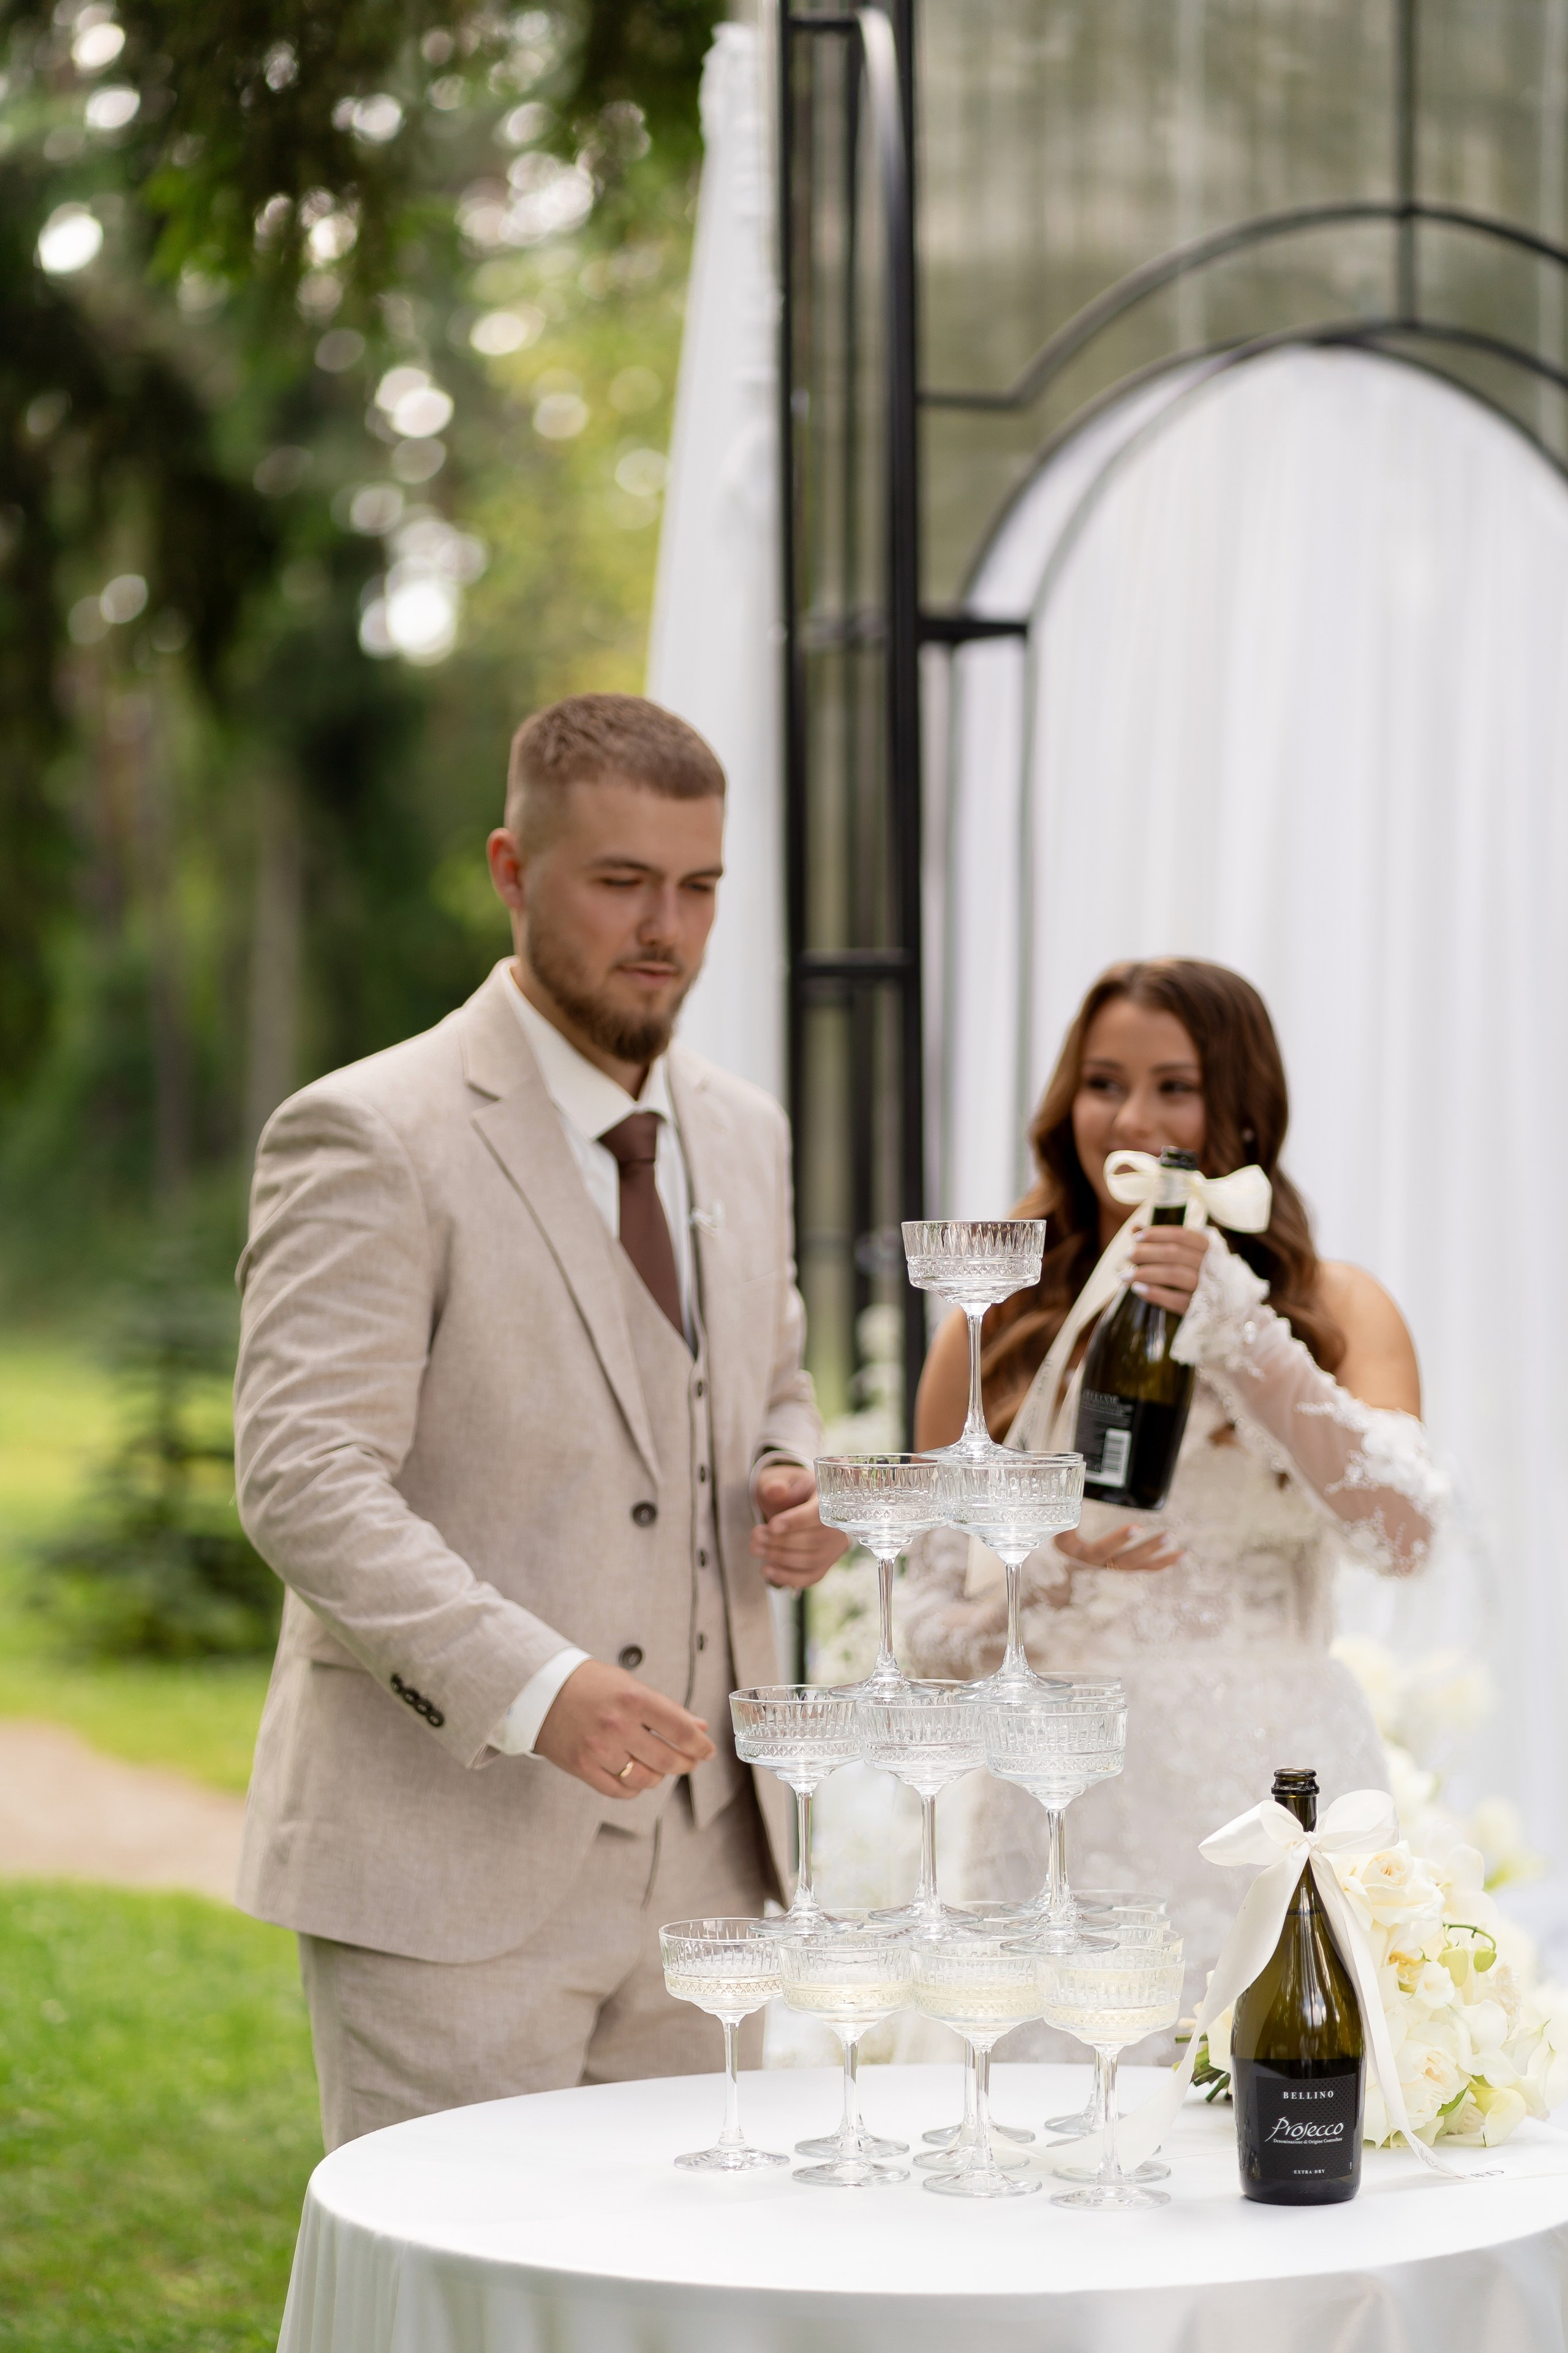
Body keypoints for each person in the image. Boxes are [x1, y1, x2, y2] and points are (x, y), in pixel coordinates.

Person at [233, 692, 844, 2148]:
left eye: (698, 888)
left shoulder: (745, 1131)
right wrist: (535, 1685)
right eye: (621, 881)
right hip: (448, 1870)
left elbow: (772, 1381)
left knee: (692, 2297)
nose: (667, 930)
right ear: (511, 871)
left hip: (718, 1868)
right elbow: (305, 1476)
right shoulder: (374, 1131)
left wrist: (789, 1473)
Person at [904, 957, 1447, 2018]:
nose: (1133, 1117)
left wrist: (1243, 1331)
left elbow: (1405, 1536)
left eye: (1176, 1085)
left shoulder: (1340, 1307)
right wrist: (1051, 1577)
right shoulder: (996, 1324)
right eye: (1105, 1082)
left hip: (1271, 1801)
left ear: (1243, 1112)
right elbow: (922, 1638)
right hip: (1051, 1821)